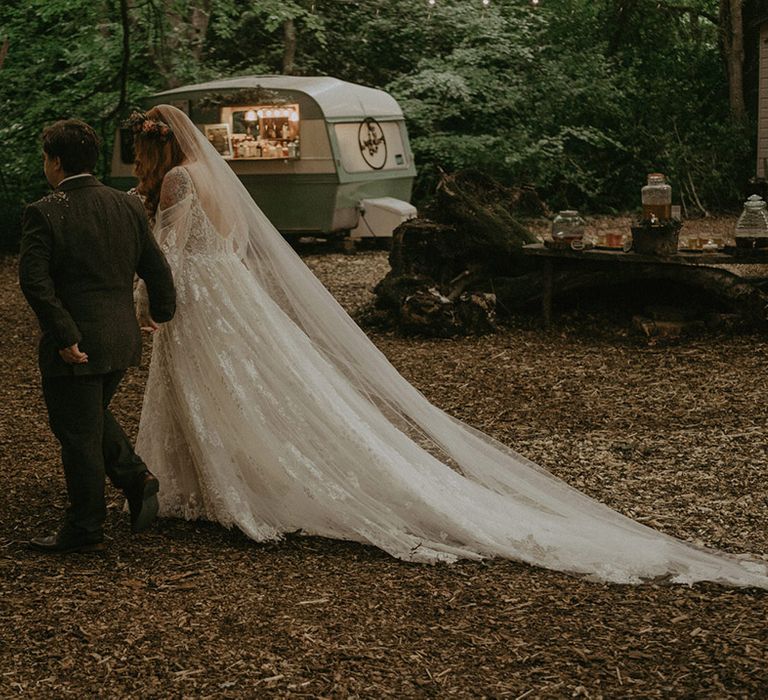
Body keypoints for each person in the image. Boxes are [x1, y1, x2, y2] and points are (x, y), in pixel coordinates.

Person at [131, 105, 768, 588]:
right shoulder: (212, 178)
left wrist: (143, 301)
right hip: (229, 294)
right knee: (253, 388)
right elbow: (233, 244)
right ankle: (217, 477)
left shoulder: (176, 186)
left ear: (153, 147)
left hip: (200, 301)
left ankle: (220, 485)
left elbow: (170, 258)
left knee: (217, 385)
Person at [19, 119, 176, 553]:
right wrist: (162, 312)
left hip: (77, 345)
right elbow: (156, 267)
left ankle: (85, 528)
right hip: (121, 339)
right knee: (86, 419)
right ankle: (134, 477)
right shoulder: (125, 206)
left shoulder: (44, 211)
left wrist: (64, 334)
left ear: (54, 161)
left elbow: (35, 284)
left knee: (76, 434)